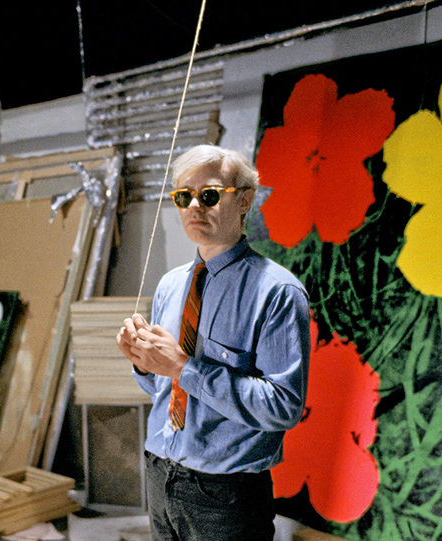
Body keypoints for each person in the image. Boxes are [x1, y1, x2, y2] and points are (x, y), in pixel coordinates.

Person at [116, 144, 310, 541]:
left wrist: (182, 367)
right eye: (183, 196)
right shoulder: (172, 285)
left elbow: (283, 407)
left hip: (226, 495)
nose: (194, 208)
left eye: (208, 195)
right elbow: (162, 389)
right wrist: (142, 361)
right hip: (160, 475)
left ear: (244, 200)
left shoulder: (278, 292)